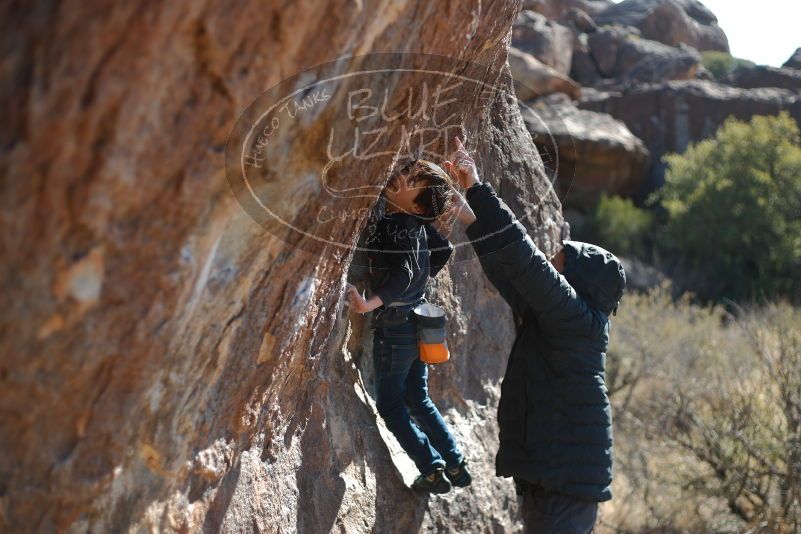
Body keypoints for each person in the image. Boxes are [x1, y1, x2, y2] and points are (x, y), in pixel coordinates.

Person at [444, 138, 625, 533]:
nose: (551, 264)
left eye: (559, 264)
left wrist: (476, 186)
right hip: (555, 477)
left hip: (566, 483)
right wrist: (472, 222)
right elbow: (512, 278)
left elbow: (526, 264)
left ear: (579, 279)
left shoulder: (575, 319)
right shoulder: (563, 320)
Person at [346, 159, 473, 494]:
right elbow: (444, 249)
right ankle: (455, 462)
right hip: (419, 321)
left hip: (397, 329)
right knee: (418, 396)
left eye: (411, 179)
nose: (401, 175)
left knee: (390, 405)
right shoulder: (416, 225)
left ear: (417, 205)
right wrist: (420, 279)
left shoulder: (394, 226)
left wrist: (369, 303)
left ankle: (431, 467)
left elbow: (402, 275)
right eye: (408, 171)